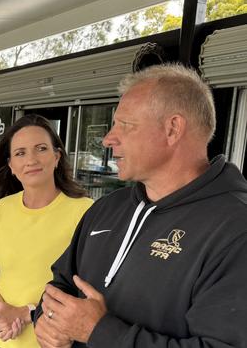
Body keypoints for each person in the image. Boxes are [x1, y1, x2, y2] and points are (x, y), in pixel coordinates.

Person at [34, 64, 247, 348]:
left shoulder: (236, 228)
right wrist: (47, 320)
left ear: (173, 129)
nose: (108, 139)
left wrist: (99, 332)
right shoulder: (107, 208)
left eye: (126, 125)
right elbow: (60, 283)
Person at [0, 114, 93, 348]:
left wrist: (26, 313)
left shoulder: (86, 212)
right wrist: (2, 309)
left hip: (52, 338)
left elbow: (90, 286)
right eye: (20, 153)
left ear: (57, 156)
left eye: (41, 149)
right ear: (11, 166)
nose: (31, 159)